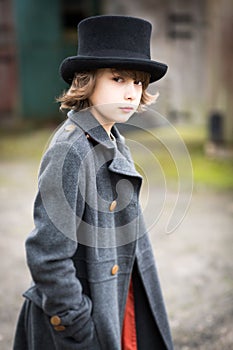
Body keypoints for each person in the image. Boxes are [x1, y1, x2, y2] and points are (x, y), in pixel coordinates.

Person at [13, 15, 173, 350]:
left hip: (112, 302)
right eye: (118, 79)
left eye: (138, 83)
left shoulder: (111, 137)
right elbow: (47, 256)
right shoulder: (70, 150)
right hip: (77, 328)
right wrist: (80, 329)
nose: (131, 93)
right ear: (87, 81)